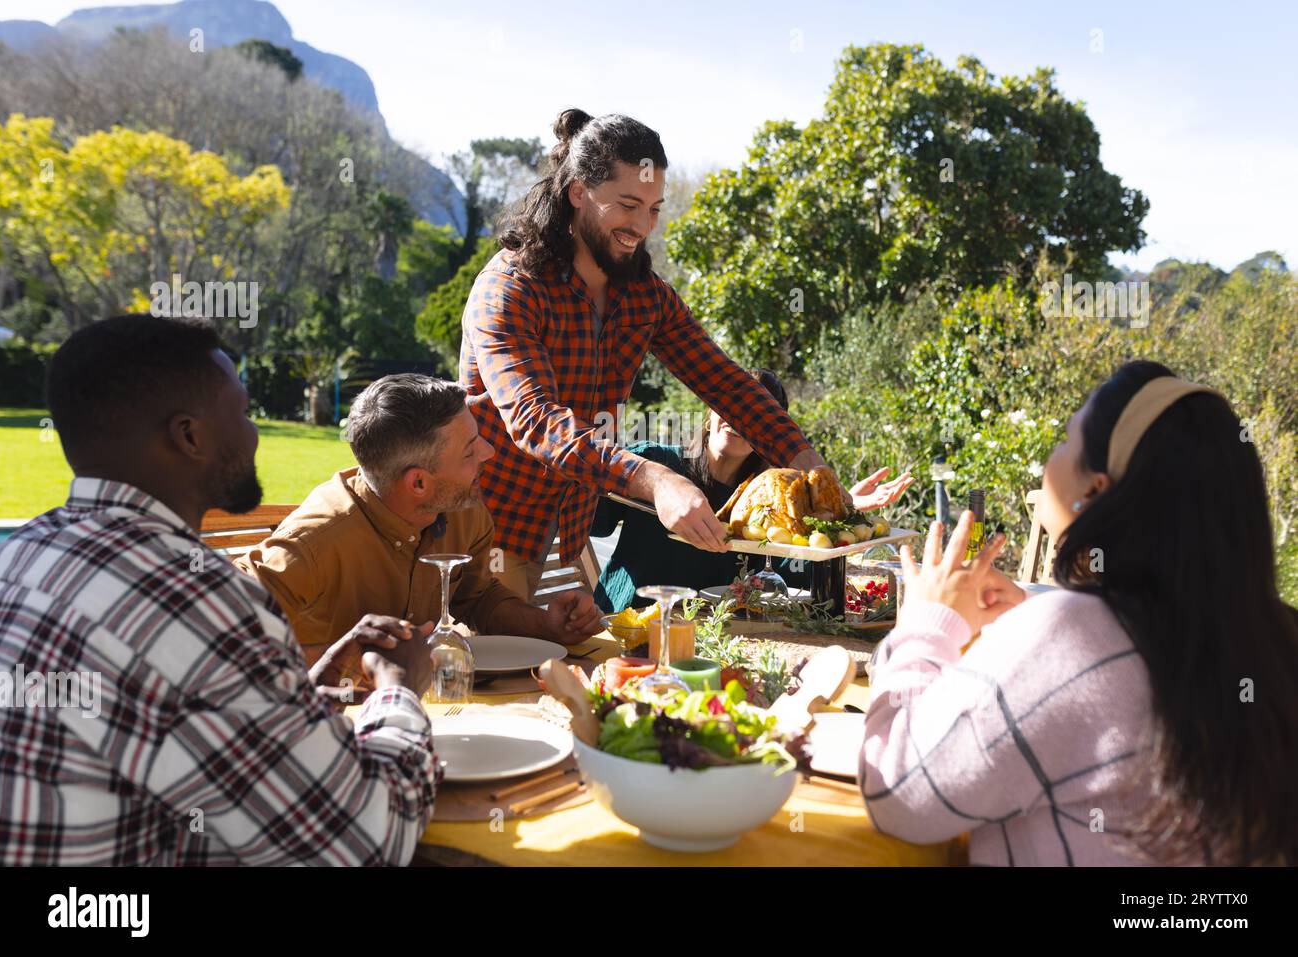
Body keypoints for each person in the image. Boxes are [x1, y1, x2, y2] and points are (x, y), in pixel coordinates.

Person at [0, 315, 441, 866]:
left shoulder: (20, 555)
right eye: (242, 411)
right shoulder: (197, 598)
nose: (254, 433)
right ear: (190, 435)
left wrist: (298, 693)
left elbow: (157, 719)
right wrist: (400, 689)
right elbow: (367, 837)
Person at [460, 107, 910, 601]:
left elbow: (728, 385)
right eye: (628, 205)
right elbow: (536, 421)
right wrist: (654, 479)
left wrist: (812, 467)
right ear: (578, 193)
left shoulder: (644, 297)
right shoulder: (509, 288)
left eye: (653, 209)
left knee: (575, 670)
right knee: (492, 671)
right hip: (488, 531)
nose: (642, 226)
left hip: (567, 535)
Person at [863, 360, 1298, 866]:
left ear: (1095, 488)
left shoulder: (1070, 638)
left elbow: (898, 793)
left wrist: (924, 623)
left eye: (1064, 440)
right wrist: (1034, 621)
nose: (1050, 457)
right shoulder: (1278, 638)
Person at [236, 374, 603, 687]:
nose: (489, 452)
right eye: (470, 450)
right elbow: (221, 629)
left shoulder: (465, 512)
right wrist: (342, 659)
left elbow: (477, 597)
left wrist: (546, 624)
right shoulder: (313, 543)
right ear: (418, 484)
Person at [592, 369, 823, 612]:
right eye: (732, 403)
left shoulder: (764, 503)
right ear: (711, 411)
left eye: (756, 415)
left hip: (709, 637)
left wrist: (831, 519)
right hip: (622, 625)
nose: (740, 417)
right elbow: (594, 520)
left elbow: (787, 572)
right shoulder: (654, 461)